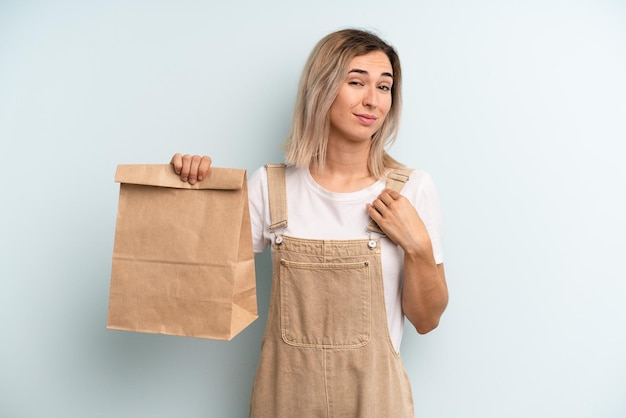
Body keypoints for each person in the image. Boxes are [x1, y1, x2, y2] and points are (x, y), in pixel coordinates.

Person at [171, 28, 448, 418]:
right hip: (284, 401)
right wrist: (191, 193)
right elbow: (203, 287)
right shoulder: (271, 187)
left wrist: (417, 245)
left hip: (375, 402)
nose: (373, 100)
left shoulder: (412, 190)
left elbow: (427, 320)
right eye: (356, 82)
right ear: (321, 88)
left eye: (384, 87)